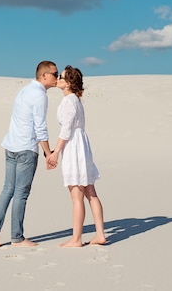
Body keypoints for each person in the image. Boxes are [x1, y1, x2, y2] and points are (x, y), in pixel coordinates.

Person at [0, 60, 58, 247]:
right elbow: (40, 128)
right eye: (54, 74)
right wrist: (48, 153)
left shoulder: (24, 91)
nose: (57, 78)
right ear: (44, 75)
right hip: (26, 148)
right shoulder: (40, 95)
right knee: (21, 193)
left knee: (7, 189)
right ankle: (17, 237)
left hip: (11, 145)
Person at [46, 65, 106, 247]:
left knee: (77, 196)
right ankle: (100, 234)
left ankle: (76, 238)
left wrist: (55, 152)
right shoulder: (76, 101)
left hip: (74, 147)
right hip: (82, 145)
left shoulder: (68, 101)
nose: (58, 78)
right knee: (90, 192)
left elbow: (66, 129)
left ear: (69, 83)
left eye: (62, 77)